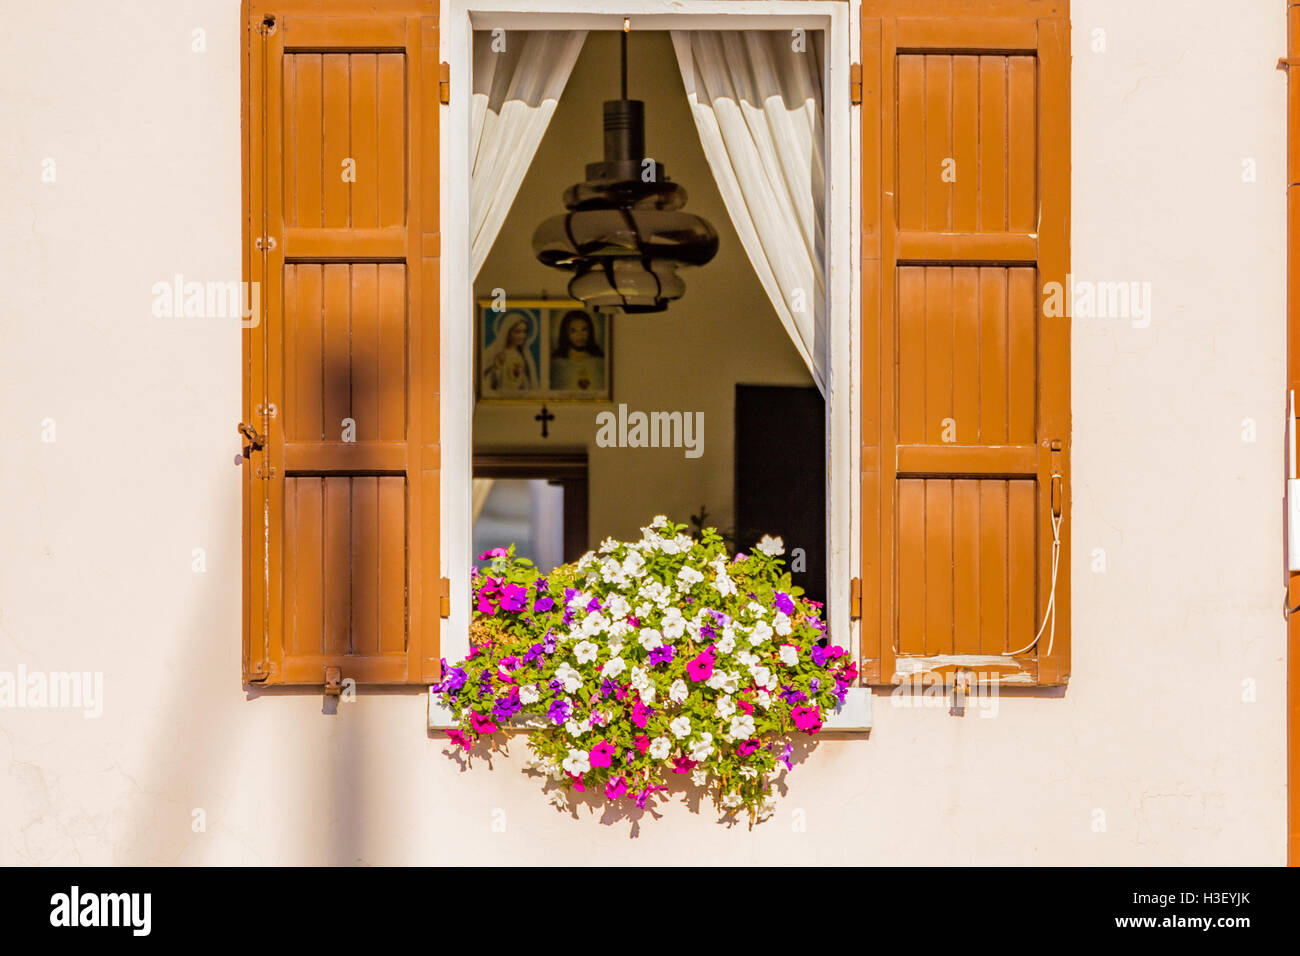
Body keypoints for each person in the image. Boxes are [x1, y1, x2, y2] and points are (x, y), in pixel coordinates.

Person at [482, 311, 539, 393]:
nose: (522, 336)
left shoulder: (525, 356)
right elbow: (485, 381)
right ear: (508, 333)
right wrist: (496, 368)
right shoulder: (494, 353)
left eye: (524, 332)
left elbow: (529, 383)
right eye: (517, 331)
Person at [549, 309, 605, 392]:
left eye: (584, 330)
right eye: (573, 331)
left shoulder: (600, 360)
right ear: (566, 333)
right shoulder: (556, 362)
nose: (580, 335)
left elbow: (622, 402)